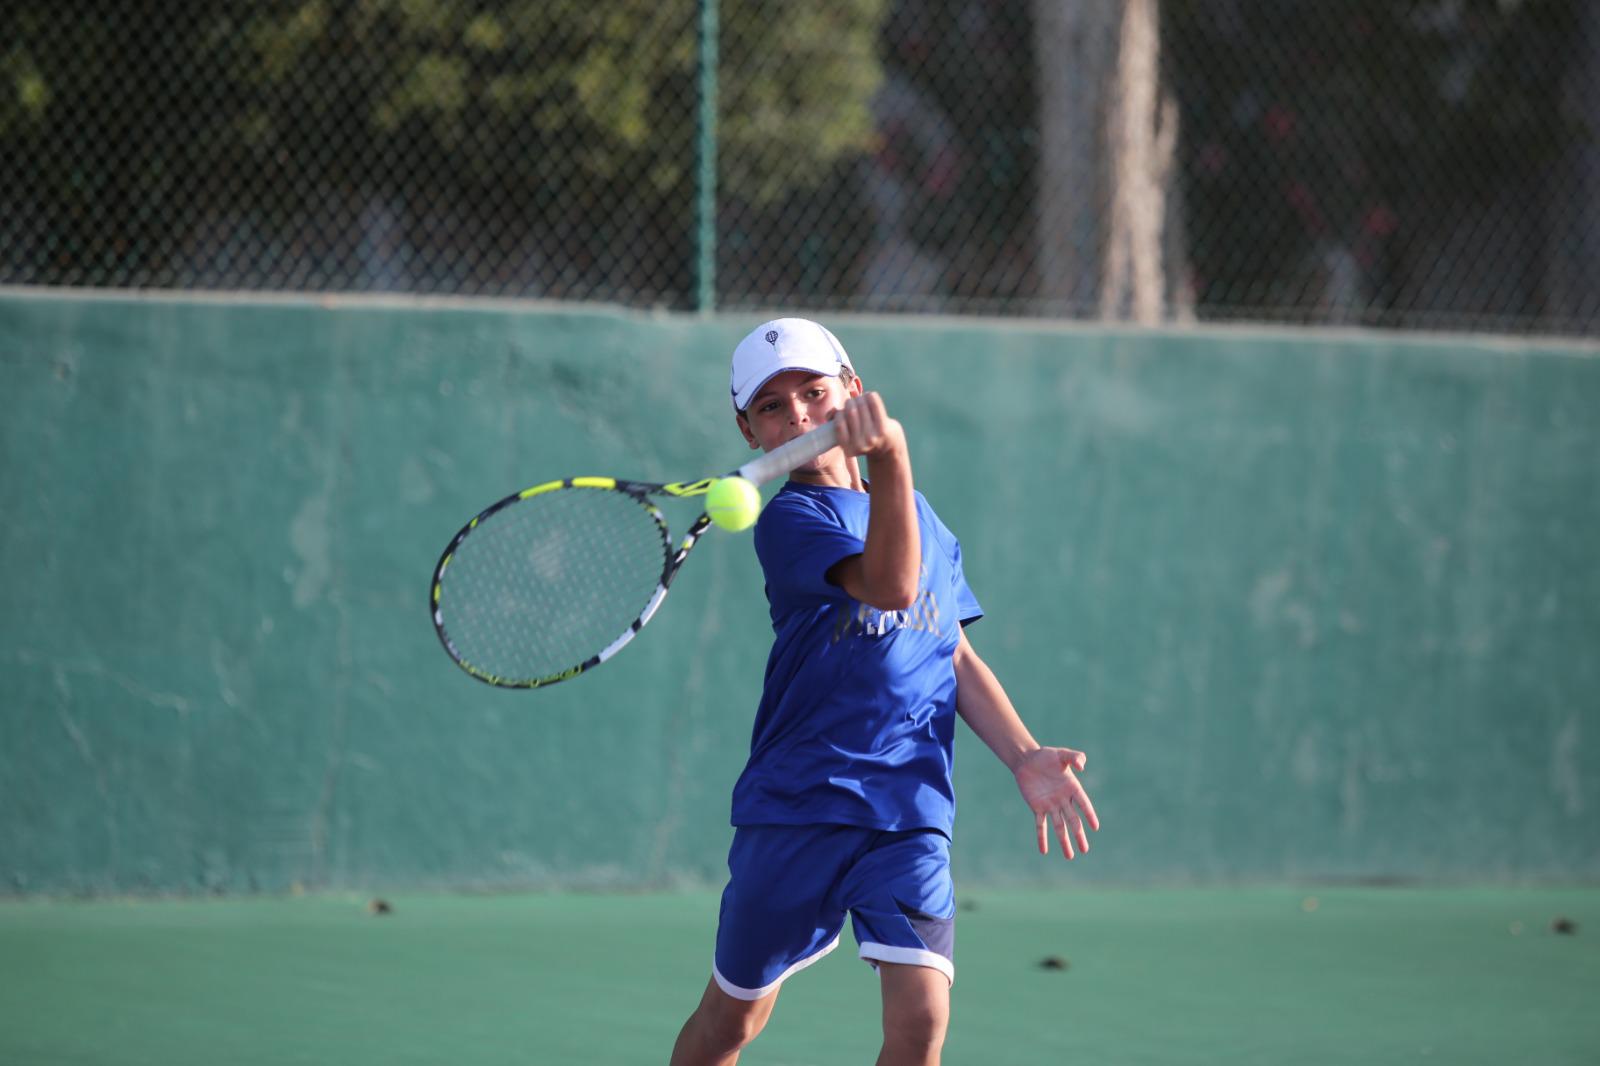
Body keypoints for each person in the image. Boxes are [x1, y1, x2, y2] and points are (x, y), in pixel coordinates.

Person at [669, 318, 1100, 1066]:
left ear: (852, 391)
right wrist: (893, 455)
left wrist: (1024, 755)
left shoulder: (922, 515)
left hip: (907, 809)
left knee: (922, 1019)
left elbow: (953, 652)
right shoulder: (791, 522)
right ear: (750, 433)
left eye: (813, 392)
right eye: (772, 408)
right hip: (801, 808)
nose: (799, 416)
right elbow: (893, 588)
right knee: (730, 1025)